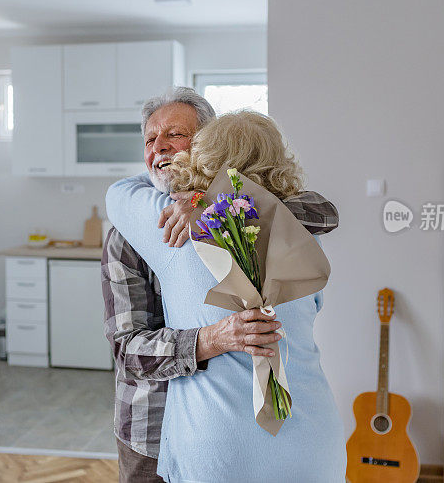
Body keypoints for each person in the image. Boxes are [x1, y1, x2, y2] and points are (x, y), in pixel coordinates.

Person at [101, 88, 339, 483]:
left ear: (206, 144)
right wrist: (212, 338)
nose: (159, 148)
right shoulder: (129, 234)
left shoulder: (277, 216)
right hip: (152, 428)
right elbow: (127, 350)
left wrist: (212, 203)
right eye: (149, 139)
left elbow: (323, 209)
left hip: (229, 437)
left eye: (174, 135)